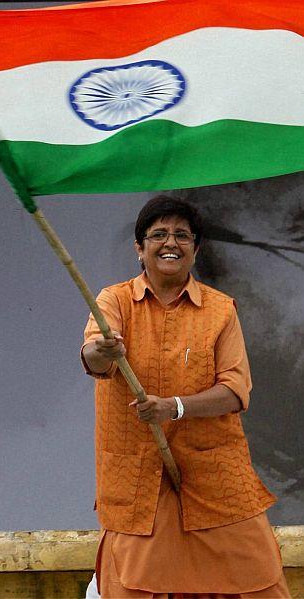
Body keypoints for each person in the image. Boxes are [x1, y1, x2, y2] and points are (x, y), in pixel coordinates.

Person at [81, 195, 290, 599]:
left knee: (256, 580)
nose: (170, 242)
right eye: (158, 234)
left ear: (196, 249)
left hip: (214, 477)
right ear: (139, 248)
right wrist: (103, 351)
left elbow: (235, 390)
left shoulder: (220, 310)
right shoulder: (114, 301)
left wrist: (174, 407)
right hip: (139, 483)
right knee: (134, 583)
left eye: (181, 235)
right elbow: (94, 358)